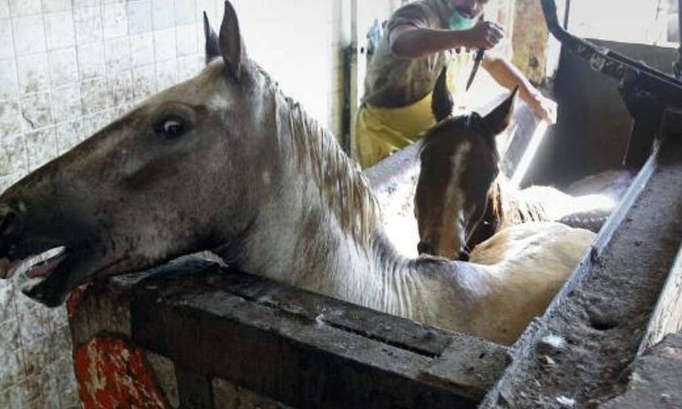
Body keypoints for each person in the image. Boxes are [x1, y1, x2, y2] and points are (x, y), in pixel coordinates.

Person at [355, 0, 558, 168]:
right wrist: (464, 38)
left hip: (431, 133)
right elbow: (401, 43)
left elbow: (495, 63)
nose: (473, 6)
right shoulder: (419, 12)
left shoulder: (467, 22)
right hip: (385, 133)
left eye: (483, 1)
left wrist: (535, 99)